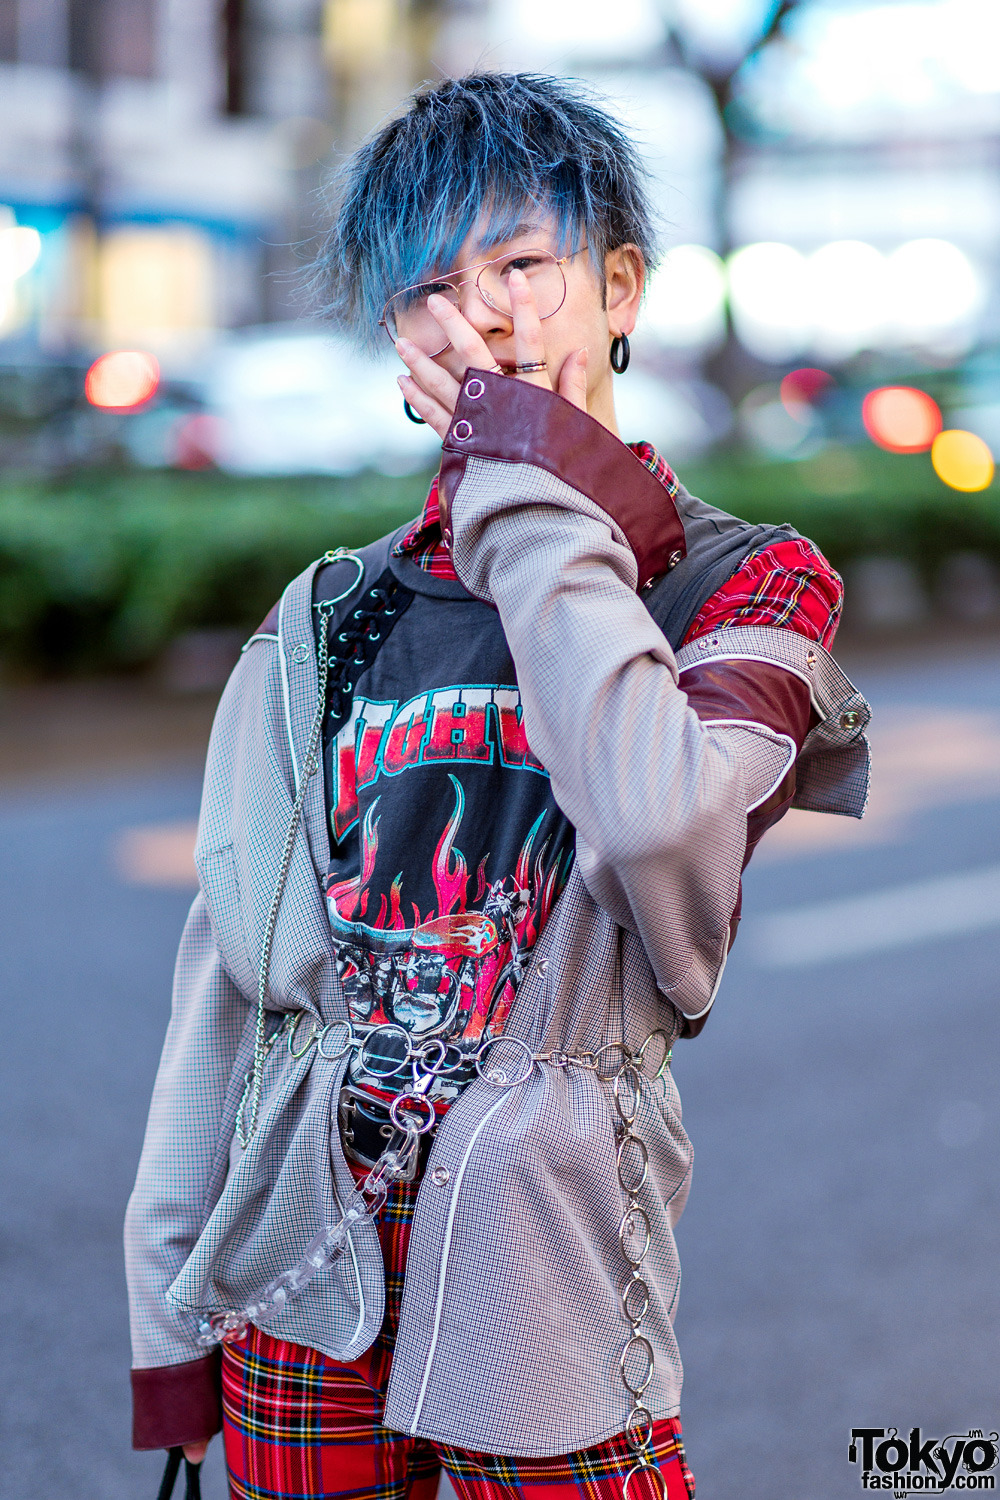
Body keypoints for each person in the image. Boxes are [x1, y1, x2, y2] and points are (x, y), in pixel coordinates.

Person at [125, 72, 870, 1500]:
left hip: (550, 1292)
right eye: (429, 289)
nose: (480, 321)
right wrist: (167, 1317)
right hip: (297, 1294)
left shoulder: (736, 584)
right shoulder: (328, 613)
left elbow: (661, 834)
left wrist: (524, 473)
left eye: (523, 265)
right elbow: (228, 993)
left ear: (618, 285)